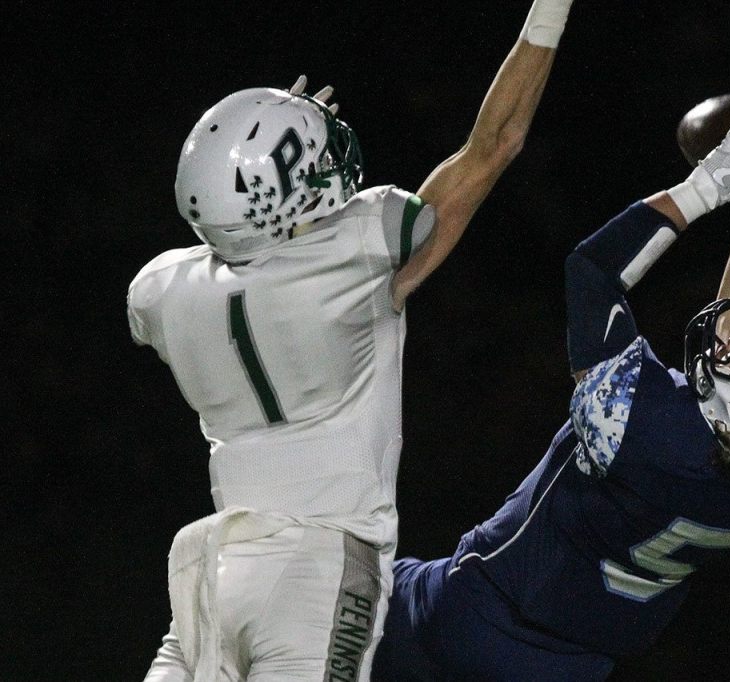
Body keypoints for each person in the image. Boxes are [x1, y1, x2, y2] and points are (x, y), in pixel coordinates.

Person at [128, 3, 575, 680]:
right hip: (317, 569)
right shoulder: (361, 248)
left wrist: (268, 166)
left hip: (210, 571)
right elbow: (493, 146)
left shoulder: (160, 291)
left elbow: (247, 252)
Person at [372, 97, 730, 680]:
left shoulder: (643, 427)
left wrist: (702, 190)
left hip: (471, 618)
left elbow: (593, 271)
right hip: (574, 667)